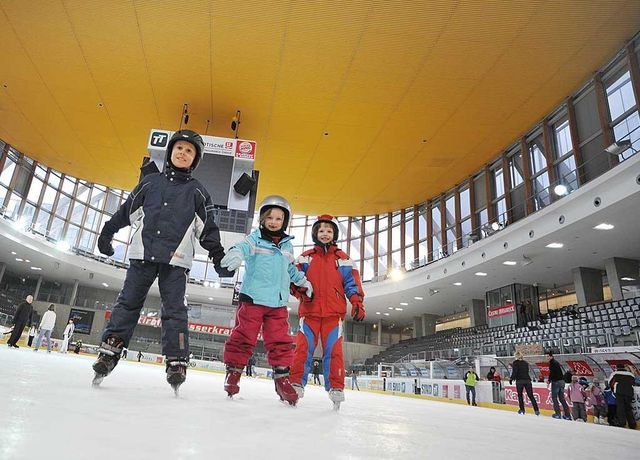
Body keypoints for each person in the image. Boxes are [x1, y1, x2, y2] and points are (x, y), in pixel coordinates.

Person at [91, 129, 232, 392]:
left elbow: (208, 230)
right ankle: (110, 350)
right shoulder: (150, 183)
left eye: (189, 151)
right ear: (170, 152)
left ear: (194, 159)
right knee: (128, 302)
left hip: (176, 262)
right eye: (179, 148)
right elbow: (126, 212)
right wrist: (107, 232)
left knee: (175, 310)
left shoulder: (197, 192)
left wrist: (218, 257)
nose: (182, 153)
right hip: (143, 254)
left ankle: (177, 360)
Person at [219, 195, 313, 405]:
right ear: (262, 219)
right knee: (243, 337)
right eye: (269, 217)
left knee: (280, 341)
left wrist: (303, 282)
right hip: (253, 298)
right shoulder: (254, 238)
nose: (273, 221)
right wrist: (234, 255)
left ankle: (282, 379)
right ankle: (233, 373)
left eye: (279, 218)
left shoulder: (288, 246)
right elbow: (241, 248)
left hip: (278, 303)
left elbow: (290, 269)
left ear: (284, 222)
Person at [288, 214, 366, 407]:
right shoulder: (305, 258)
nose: (325, 234)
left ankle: (336, 387)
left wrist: (356, 302)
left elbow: (351, 283)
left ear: (335, 234)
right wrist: (302, 293)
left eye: (329, 231)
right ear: (315, 233)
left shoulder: (344, 260)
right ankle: (296, 383)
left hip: (333, 316)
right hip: (310, 313)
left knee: (334, 352)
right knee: (303, 350)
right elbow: (294, 281)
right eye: (321, 230)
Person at [510, 351, 539, 415]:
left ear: (516, 356)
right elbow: (526, 371)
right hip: (527, 380)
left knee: (520, 396)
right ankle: (536, 410)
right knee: (531, 396)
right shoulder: (526, 363)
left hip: (520, 381)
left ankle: (522, 410)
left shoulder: (515, 363)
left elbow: (515, 372)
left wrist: (511, 379)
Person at [608, 364, 637, 429]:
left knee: (620, 408)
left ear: (617, 368)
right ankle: (632, 424)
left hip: (619, 392)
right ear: (624, 367)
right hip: (629, 392)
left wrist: (614, 391)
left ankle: (622, 423)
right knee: (628, 408)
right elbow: (633, 383)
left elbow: (610, 383)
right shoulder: (630, 374)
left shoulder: (615, 373)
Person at [546, 351, 571, 420]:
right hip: (562, 381)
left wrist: (549, 380)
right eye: (546, 357)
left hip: (556, 382)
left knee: (554, 398)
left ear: (551, 356)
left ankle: (558, 414)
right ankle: (567, 415)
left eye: (548, 356)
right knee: (562, 398)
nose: (547, 358)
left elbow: (552, 373)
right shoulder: (556, 362)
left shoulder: (552, 363)